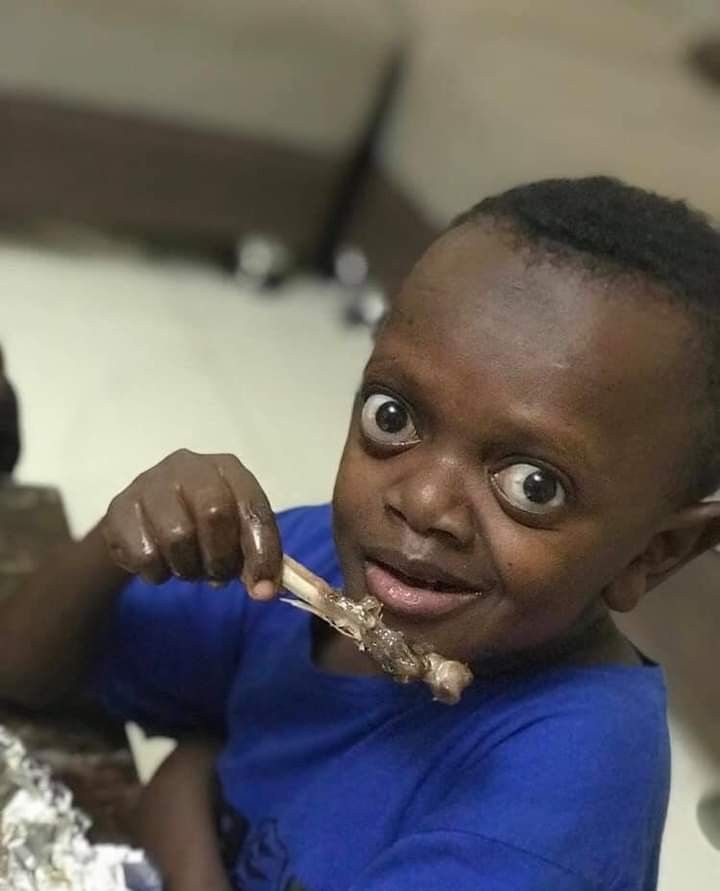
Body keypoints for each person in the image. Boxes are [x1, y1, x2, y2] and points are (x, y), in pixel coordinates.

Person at [2, 176, 720, 890]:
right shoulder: (315, 564)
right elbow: (23, 668)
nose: (422, 503)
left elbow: (171, 791)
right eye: (392, 416)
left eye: (534, 485)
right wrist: (116, 544)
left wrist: (175, 817)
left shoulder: (555, 812)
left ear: (655, 553)